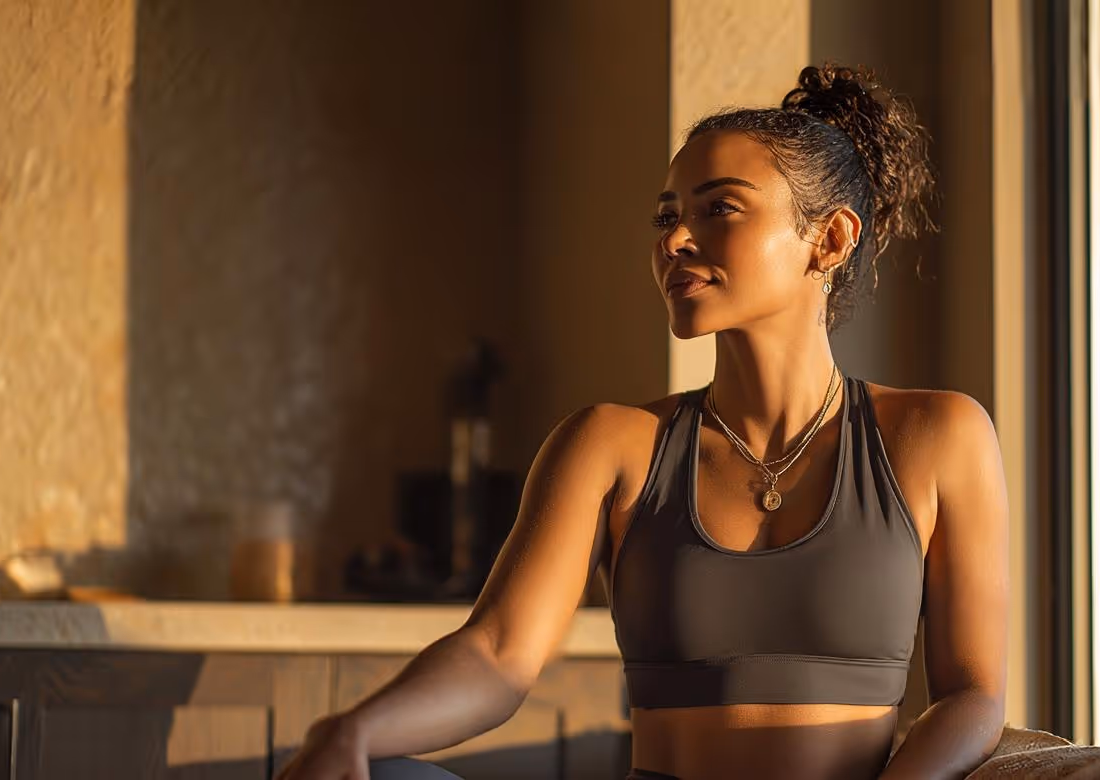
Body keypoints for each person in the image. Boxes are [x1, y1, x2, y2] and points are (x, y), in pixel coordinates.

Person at [277, 62, 1009, 780]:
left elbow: (973, 696)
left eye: (718, 208)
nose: (674, 241)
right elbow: (498, 654)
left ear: (830, 239)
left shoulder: (936, 437)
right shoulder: (610, 445)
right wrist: (353, 730)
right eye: (667, 216)